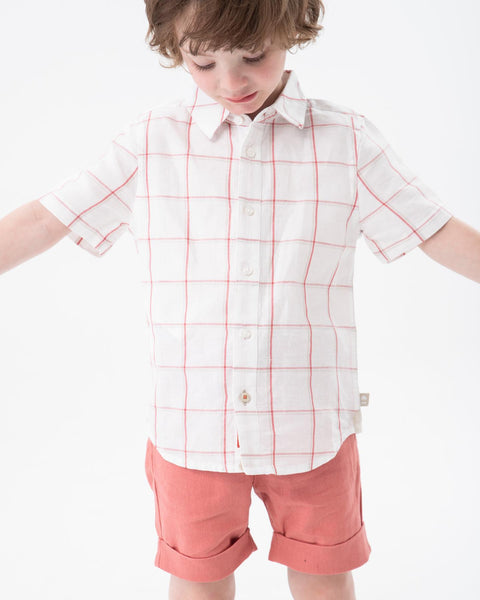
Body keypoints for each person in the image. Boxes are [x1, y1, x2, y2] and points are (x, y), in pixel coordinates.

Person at [1, 1, 479, 599]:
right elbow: (47, 217)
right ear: (175, 48)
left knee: (324, 574)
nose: (231, 83)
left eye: (253, 56)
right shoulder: (151, 141)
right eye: (203, 63)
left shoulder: (345, 140)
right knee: (197, 578)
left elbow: (434, 228)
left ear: (290, 27)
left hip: (311, 425)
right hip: (192, 425)